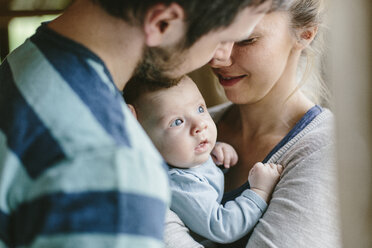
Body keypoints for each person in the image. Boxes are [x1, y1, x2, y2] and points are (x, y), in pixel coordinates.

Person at [0, 0, 289, 247]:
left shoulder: (27, 60)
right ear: (164, 23)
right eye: (222, 37)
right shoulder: (116, 168)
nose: (220, 56)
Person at [165, 0, 342, 247]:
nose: (218, 58)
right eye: (214, 33)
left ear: (305, 34)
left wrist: (148, 209)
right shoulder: (184, 128)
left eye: (245, 38)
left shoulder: (326, 150)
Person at [123, 75, 283, 243]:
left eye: (200, 109)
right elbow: (223, 226)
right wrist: (259, 192)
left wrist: (214, 155)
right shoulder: (183, 186)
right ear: (142, 137)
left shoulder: (181, 161)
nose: (200, 125)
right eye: (177, 122)